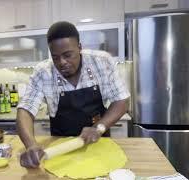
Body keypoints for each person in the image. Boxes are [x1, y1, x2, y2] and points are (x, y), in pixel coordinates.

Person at [16, 21, 130, 168]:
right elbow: (25, 109)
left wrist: (98, 127)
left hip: (98, 144)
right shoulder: (43, 72)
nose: (62, 62)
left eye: (68, 55)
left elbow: (121, 101)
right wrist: (31, 145)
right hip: (60, 151)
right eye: (55, 57)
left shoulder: (102, 62)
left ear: (80, 47)